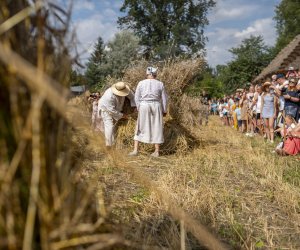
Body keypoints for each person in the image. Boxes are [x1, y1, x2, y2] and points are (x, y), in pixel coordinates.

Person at [129, 67, 168, 157]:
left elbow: (136, 97)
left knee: (140, 126)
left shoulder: (141, 83)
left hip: (144, 105)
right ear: (155, 74)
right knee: (157, 126)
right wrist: (164, 110)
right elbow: (164, 99)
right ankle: (157, 151)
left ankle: (135, 150)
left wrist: (139, 107)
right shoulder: (160, 84)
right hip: (156, 105)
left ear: (147, 74)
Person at [98, 82, 135, 147]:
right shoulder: (109, 96)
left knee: (114, 127)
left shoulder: (125, 89)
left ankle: (114, 143)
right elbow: (112, 110)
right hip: (105, 109)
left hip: (116, 109)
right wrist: (123, 115)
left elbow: (132, 97)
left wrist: (134, 107)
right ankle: (109, 145)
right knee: (109, 126)